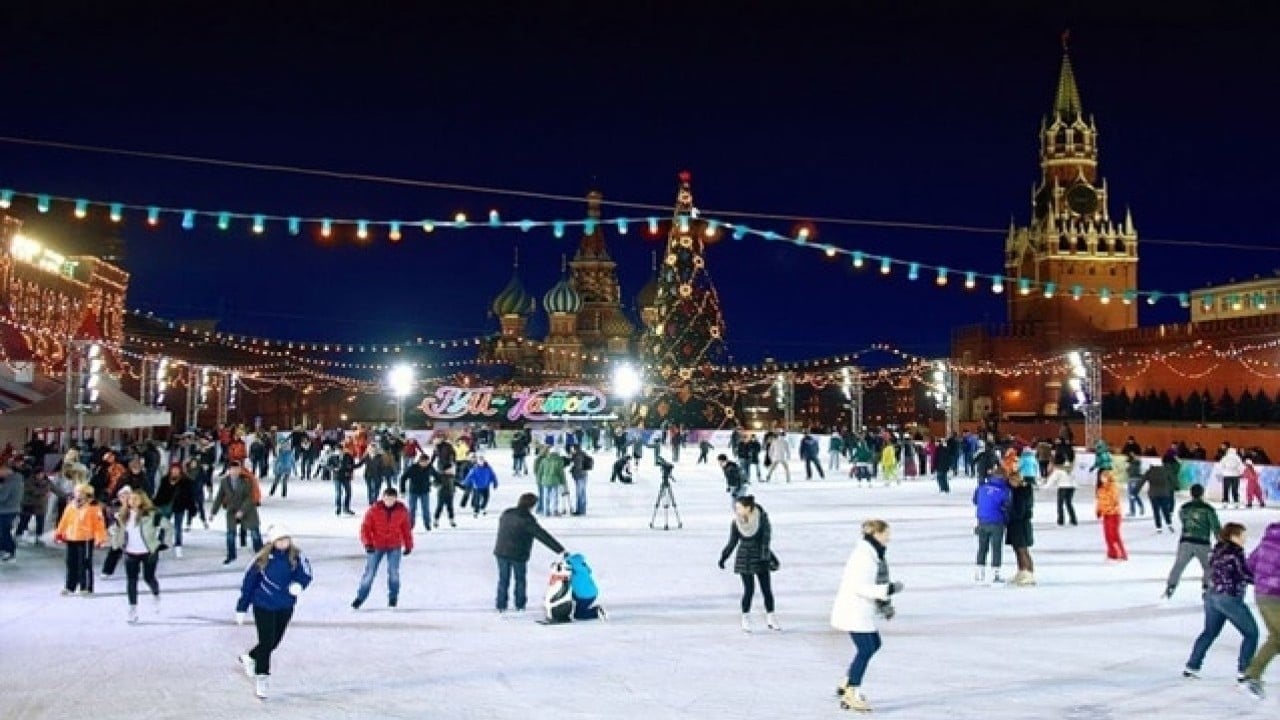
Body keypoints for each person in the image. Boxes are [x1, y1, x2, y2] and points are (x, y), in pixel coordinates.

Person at [830, 519, 903, 713]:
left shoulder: (872, 553)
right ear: (877, 534)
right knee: (866, 648)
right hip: (853, 609)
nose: (889, 537)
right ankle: (852, 692)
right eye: (887, 533)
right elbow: (860, 587)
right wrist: (888, 589)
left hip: (860, 610)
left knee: (874, 644)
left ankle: (848, 681)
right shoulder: (864, 557)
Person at [235, 524, 313, 700]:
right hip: (263, 605)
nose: (283, 543)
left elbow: (306, 573)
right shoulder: (262, 559)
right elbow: (249, 584)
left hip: (285, 605)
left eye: (286, 539)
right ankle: (262, 677)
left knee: (274, 642)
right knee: (266, 641)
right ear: (272, 541)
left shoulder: (297, 556)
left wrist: (299, 584)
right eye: (279, 540)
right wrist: (242, 607)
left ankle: (249, 657)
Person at [1183, 523, 1259, 692]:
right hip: (1229, 598)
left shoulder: (1216, 550)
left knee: (1209, 632)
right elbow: (1244, 574)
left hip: (1212, 597)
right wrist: (1264, 581)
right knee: (1251, 634)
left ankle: (1192, 666)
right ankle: (1244, 672)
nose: (1245, 538)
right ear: (1233, 536)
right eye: (1242, 535)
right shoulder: (1235, 553)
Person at [492, 492, 566, 614]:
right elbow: (542, 536)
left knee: (503, 579)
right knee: (520, 579)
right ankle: (520, 604)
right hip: (518, 554)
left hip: (501, 551)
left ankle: (501, 604)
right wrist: (560, 550)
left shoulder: (507, 513)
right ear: (531, 505)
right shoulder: (527, 520)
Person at [718, 495, 779, 632]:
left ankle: (771, 617)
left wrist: (767, 557)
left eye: (739, 507)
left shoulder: (761, 519)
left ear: (748, 508)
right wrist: (724, 557)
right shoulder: (736, 523)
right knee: (748, 590)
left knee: (766, 590)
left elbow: (766, 539)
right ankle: (745, 618)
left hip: (760, 557)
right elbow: (732, 542)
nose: (736, 510)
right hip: (744, 558)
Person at [109, 489, 170, 624]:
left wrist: (163, 543)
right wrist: (115, 539)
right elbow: (117, 531)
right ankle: (133, 609)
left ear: (142, 500)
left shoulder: (152, 514)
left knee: (149, 578)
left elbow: (167, 527)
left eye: (136, 499)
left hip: (148, 552)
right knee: (131, 581)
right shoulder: (122, 515)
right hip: (130, 552)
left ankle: (156, 594)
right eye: (130, 499)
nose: (132, 501)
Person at [352, 487, 413, 610]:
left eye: (392, 499)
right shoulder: (374, 510)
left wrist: (408, 545)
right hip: (376, 546)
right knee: (370, 573)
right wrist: (368, 544)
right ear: (383, 498)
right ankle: (360, 597)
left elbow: (406, 529)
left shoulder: (402, 511)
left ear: (396, 499)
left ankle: (393, 597)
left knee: (393, 573)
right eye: (387, 498)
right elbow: (365, 528)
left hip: (394, 545)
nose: (389, 501)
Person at [1241, 521, 1280, 699]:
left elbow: (1249, 565)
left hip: (1262, 595)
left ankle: (1253, 675)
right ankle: (1253, 675)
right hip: (1276, 596)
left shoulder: (1267, 541)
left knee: (1277, 638)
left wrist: (1260, 580)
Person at [1164, 484, 1221, 599]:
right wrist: (1221, 541)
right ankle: (1206, 587)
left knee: (1179, 565)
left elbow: (1182, 520)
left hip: (1185, 541)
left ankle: (1171, 585)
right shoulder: (1208, 509)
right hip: (1202, 542)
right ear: (1202, 493)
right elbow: (1215, 527)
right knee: (1209, 567)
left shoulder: (1184, 507)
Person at [54, 483, 107, 595]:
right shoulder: (70, 506)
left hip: (86, 538)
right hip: (71, 537)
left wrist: (100, 538)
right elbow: (64, 520)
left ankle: (86, 587)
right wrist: (59, 533)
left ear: (87, 494)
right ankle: (70, 586)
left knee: (85, 563)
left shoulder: (94, 508)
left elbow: (99, 525)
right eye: (77, 492)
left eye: (81, 492)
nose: (78, 494)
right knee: (70, 562)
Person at [210, 462, 262, 565]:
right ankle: (231, 555)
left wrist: (242, 511)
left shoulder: (246, 480)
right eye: (232, 469)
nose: (234, 472)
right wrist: (213, 512)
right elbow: (219, 497)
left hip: (248, 510)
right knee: (230, 534)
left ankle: (260, 555)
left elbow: (250, 498)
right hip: (232, 510)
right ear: (229, 470)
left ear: (240, 470)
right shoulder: (224, 481)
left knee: (255, 533)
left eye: (237, 469)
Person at [973, 468, 1011, 583]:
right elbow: (1007, 506)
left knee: (982, 547)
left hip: (982, 521)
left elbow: (975, 501)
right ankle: (995, 574)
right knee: (996, 548)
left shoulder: (981, 488)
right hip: (997, 522)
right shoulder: (1004, 491)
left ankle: (979, 572)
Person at [152, 463, 197, 558]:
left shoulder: (186, 482)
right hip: (166, 507)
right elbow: (160, 493)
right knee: (164, 525)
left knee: (178, 526)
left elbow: (190, 496)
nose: (175, 471)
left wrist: (192, 508)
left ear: (180, 470)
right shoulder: (165, 480)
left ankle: (178, 544)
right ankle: (160, 541)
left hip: (179, 507)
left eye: (177, 469)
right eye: (173, 469)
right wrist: (155, 504)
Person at [1006, 473, 1036, 585]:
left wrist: (1008, 511)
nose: (1009, 482)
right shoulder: (1016, 491)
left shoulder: (1021, 492)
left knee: (1022, 549)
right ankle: (1022, 570)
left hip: (1021, 524)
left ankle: (1029, 573)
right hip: (1015, 524)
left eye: (1011, 480)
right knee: (1017, 549)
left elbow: (1020, 511)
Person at [1136, 458, 1176, 533]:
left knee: (1156, 511)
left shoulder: (1149, 472)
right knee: (1165, 509)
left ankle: (1159, 527)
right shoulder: (1166, 471)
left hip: (1153, 494)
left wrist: (1135, 491)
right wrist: (1172, 488)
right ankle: (1169, 524)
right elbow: (1173, 480)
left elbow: (1141, 481)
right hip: (1164, 493)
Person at [1095, 469, 1127, 562]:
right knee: (1107, 535)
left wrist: (1109, 509)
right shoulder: (1100, 489)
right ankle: (1112, 554)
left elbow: (1115, 501)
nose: (1103, 478)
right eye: (1101, 476)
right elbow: (1099, 501)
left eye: (1105, 476)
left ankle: (1121, 554)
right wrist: (1098, 510)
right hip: (1106, 514)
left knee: (1114, 535)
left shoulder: (1113, 487)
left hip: (1114, 514)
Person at [399, 453, 434, 532]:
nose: (425, 464)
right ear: (420, 461)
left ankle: (427, 524)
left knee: (425, 509)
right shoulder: (413, 468)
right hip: (413, 491)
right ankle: (410, 525)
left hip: (425, 491)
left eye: (427, 462)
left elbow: (437, 476)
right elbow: (403, 478)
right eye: (424, 462)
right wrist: (402, 490)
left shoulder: (429, 467)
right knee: (412, 509)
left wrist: (436, 483)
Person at [1041, 460, 1077, 526]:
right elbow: (1074, 479)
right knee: (1069, 503)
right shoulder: (1071, 471)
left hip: (1063, 487)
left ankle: (1061, 520)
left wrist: (1044, 487)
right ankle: (1073, 519)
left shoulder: (1058, 471)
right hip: (1071, 488)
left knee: (1060, 504)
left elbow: (1052, 480)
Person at [0, 463, 22, 562]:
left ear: (5, 470)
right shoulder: (17, 480)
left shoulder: (10, 481)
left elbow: (2, 497)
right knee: (3, 531)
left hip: (6, 510)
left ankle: (10, 551)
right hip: (12, 509)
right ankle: (3, 550)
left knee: (5, 531)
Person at [1215, 444, 1245, 509]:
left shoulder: (1225, 457)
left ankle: (1225, 502)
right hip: (1235, 476)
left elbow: (1220, 465)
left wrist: (1222, 472)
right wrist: (1240, 473)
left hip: (1226, 475)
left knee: (1226, 489)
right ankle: (1236, 502)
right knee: (1235, 489)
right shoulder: (1237, 458)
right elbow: (1241, 466)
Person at [568, 445, 591, 516]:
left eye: (572, 449)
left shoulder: (578, 456)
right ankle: (582, 509)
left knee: (579, 494)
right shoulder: (582, 454)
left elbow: (578, 467)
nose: (571, 450)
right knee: (582, 493)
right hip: (584, 475)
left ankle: (580, 510)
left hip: (579, 476)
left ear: (575, 449)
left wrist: (572, 471)